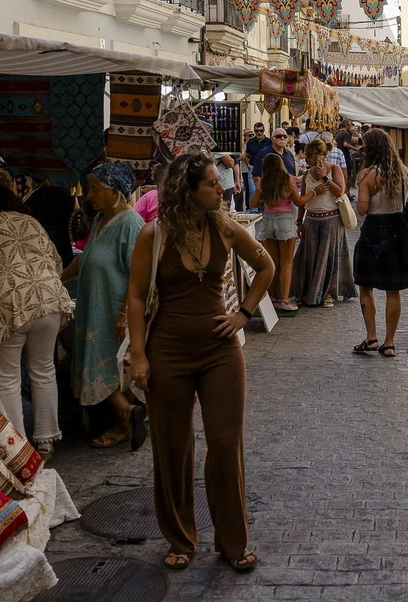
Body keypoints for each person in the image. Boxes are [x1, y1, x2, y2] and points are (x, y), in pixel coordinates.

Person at [125, 152, 275, 573]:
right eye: (211, 183)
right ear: (187, 191)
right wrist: (139, 355)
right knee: (172, 448)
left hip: (220, 352)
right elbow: (136, 297)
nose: (221, 188)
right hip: (167, 351)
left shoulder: (225, 226)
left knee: (226, 445)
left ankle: (233, 540)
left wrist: (243, 313)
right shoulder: (152, 236)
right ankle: (180, 537)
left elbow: (265, 265)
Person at [0, 183, 74, 459]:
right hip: (48, 300)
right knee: (44, 370)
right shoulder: (31, 223)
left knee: (7, 377)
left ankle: (18, 449)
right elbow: (55, 262)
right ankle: (46, 440)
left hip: (7, 306)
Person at [64, 163, 144, 448]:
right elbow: (86, 259)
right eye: (89, 188)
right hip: (96, 309)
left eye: (96, 189)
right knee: (101, 361)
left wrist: (124, 315)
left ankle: (125, 417)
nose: (90, 195)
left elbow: (139, 273)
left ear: (116, 192)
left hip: (113, 311)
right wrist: (55, 277)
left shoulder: (131, 224)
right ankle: (129, 414)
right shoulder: (100, 220)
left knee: (108, 365)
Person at [352, 128, 408, 357]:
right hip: (397, 231)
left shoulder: (367, 175)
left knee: (365, 286)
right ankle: (389, 343)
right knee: (393, 290)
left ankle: (371, 337)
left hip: (373, 233)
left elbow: (362, 210)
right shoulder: (402, 172)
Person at [290, 140, 355, 308]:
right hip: (312, 220)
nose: (306, 159)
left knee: (330, 259)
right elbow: (302, 201)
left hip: (331, 220)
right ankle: (307, 291)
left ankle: (329, 293)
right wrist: (299, 222)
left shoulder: (334, 169)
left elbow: (340, 191)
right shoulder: (306, 174)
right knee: (309, 258)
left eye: (309, 155)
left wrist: (325, 177)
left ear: (320, 156)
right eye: (306, 155)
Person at [252, 152, 301, 313]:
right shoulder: (288, 181)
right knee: (287, 262)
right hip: (285, 220)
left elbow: (253, 202)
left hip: (268, 220)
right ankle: (284, 299)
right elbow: (298, 202)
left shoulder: (263, 182)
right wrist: (313, 194)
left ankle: (273, 297)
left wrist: (266, 199)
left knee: (273, 261)